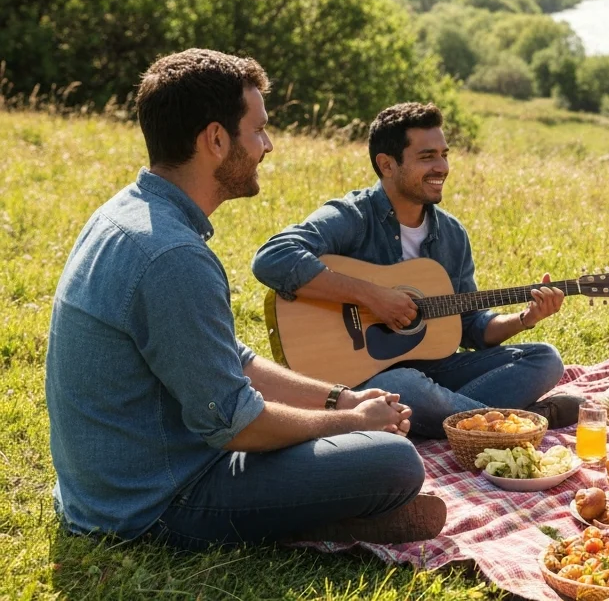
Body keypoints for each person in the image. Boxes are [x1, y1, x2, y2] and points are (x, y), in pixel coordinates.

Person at [46, 49, 442, 550]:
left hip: (112, 485)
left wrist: (340, 396)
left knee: (369, 444)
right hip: (152, 504)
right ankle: (317, 523)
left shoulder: (125, 213)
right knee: (393, 460)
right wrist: (352, 422)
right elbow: (237, 423)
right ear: (215, 139)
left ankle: (322, 515)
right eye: (257, 130)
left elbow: (231, 359)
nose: (268, 145)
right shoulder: (172, 256)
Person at [252, 102, 582, 435]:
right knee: (402, 384)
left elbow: (468, 325)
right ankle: (517, 423)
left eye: (444, 154)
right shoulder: (352, 215)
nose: (441, 167)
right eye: (427, 157)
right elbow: (273, 256)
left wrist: (525, 319)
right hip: (366, 380)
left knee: (544, 359)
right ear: (387, 165)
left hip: (434, 369)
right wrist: (372, 296)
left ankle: (449, 421)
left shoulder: (451, 234)